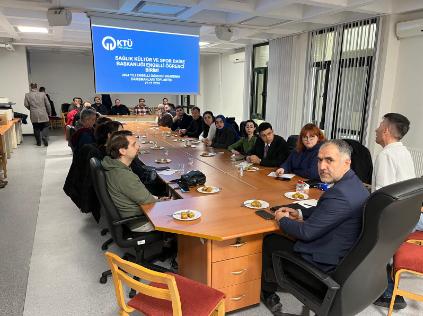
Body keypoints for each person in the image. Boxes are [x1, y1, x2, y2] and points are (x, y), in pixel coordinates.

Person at [261, 140, 369, 315]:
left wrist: (282, 219)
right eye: (319, 160)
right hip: (343, 259)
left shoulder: (339, 194)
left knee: (270, 240)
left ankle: (267, 292)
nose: (322, 166)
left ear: (347, 162)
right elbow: (330, 213)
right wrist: (300, 214)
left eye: (329, 160)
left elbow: (307, 233)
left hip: (321, 268)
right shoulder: (355, 184)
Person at [372, 113, 416, 310]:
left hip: (392, 218)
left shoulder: (386, 154)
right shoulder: (404, 152)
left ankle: (387, 293)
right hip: (407, 215)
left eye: (380, 124)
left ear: (387, 130)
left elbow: (382, 197)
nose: (377, 128)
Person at [101, 131, 168, 232]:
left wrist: (158, 198)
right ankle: (169, 244)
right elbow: (150, 203)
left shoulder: (114, 165)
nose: (138, 146)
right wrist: (164, 202)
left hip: (134, 214)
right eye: (134, 145)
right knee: (183, 215)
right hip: (141, 221)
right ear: (123, 151)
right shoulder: (124, 176)